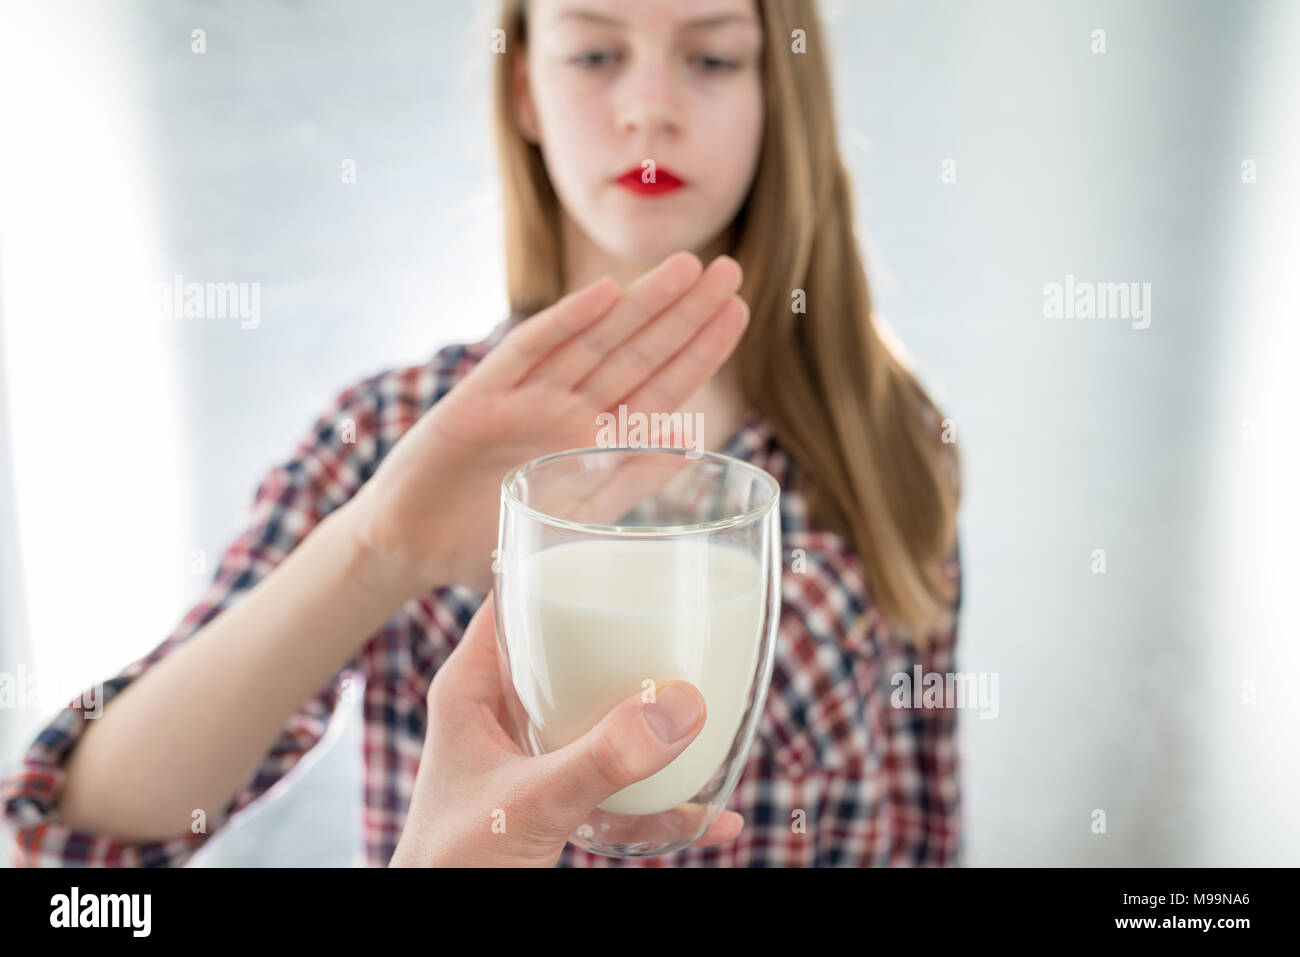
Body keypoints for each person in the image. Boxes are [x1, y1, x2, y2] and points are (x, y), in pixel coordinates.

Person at [1, 0, 964, 868]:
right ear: (526, 92)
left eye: (711, 59)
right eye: (594, 54)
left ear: (776, 90)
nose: (649, 110)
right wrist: (380, 549)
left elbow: (926, 824)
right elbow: (81, 832)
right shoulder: (393, 431)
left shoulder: (887, 438)